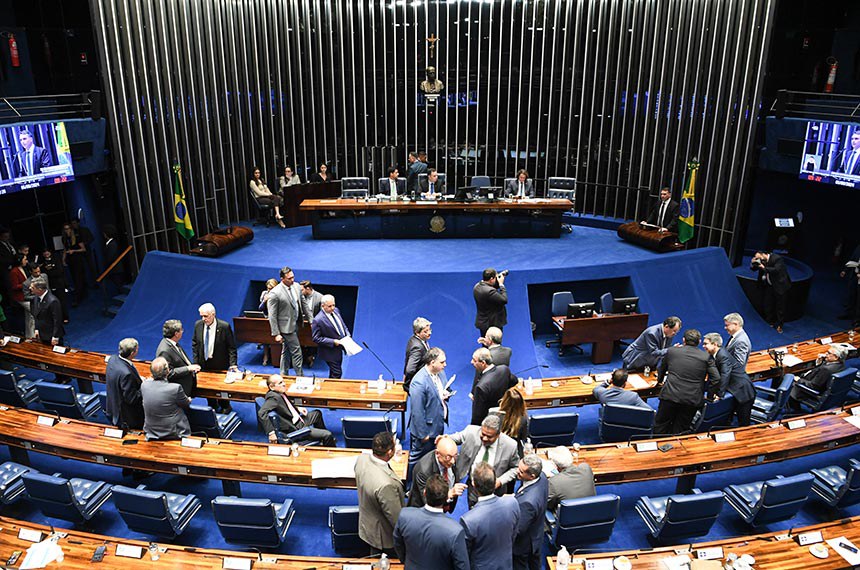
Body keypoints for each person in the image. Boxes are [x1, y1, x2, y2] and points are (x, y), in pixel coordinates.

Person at [393, 474, 470, 570]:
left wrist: (408, 562)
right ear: (446, 498)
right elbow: (462, 566)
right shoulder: (455, 531)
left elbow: (398, 545)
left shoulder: (405, 516)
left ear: (424, 493)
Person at [654, 329, 720, 435]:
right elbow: (716, 378)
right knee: (681, 429)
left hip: (670, 395)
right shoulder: (706, 357)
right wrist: (709, 396)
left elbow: (661, 368)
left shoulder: (672, 351)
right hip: (691, 400)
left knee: (661, 426)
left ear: (683, 340)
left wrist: (660, 381)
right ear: (699, 342)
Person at [447, 414, 520, 507]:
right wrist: (443, 438)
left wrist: (500, 481)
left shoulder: (510, 445)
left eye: (489, 437)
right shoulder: (471, 431)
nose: (484, 439)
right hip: (473, 490)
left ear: (498, 435)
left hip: (495, 493)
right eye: (483, 434)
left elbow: (515, 468)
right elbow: (452, 438)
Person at [460, 462, 520, 570]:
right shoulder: (512, 503)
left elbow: (464, 555)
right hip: (506, 563)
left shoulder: (468, 520)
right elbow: (513, 534)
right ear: (495, 482)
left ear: (473, 484)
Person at [353, 431, 405, 555]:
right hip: (384, 537)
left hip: (366, 524)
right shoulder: (386, 485)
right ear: (389, 452)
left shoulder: (361, 459)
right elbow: (396, 518)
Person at [257, 374, 335, 445]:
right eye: (280, 383)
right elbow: (261, 413)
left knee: (317, 413)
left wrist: (298, 408)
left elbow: (285, 406)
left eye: (283, 381)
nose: (284, 384)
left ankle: (323, 441)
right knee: (328, 434)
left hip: (298, 419)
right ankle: (329, 449)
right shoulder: (273, 398)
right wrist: (271, 433)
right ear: (271, 387)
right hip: (295, 428)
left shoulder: (279, 393)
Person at [408, 347, 451, 466]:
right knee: (416, 459)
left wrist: (446, 394)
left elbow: (444, 388)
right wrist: (423, 434)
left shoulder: (440, 372)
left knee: (432, 456)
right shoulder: (419, 382)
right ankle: (411, 483)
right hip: (426, 431)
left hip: (438, 423)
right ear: (432, 363)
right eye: (442, 362)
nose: (445, 365)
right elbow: (417, 412)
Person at [192, 303, 238, 413]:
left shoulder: (224, 326)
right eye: (202, 316)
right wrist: (196, 362)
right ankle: (212, 405)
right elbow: (195, 344)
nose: (203, 319)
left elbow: (231, 347)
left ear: (213, 314)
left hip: (220, 363)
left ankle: (225, 405)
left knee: (221, 387)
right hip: (204, 363)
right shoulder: (198, 325)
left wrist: (233, 364)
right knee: (208, 388)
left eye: (206, 316)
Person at [703, 332, 755, 426]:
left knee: (743, 422)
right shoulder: (714, 354)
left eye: (706, 344)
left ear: (714, 344)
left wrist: (719, 394)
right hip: (733, 389)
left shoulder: (722, 356)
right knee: (729, 416)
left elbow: (725, 374)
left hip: (743, 391)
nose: (703, 346)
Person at [407, 436, 466, 510]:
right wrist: (448, 495)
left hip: (444, 506)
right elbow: (428, 501)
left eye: (455, 456)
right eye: (448, 457)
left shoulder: (451, 457)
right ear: (437, 454)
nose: (453, 461)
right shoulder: (423, 471)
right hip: (424, 511)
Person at [141, 356, 192, 441]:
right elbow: (186, 404)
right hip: (174, 432)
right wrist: (189, 400)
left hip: (151, 431)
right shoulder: (175, 388)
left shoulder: (144, 385)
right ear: (167, 371)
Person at [267, 266, 304, 377]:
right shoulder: (275, 293)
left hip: (295, 324)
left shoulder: (296, 286)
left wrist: (310, 319)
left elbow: (303, 303)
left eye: (293, 277)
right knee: (297, 352)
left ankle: (283, 374)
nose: (292, 280)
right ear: (282, 278)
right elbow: (272, 315)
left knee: (286, 350)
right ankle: (300, 377)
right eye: (289, 278)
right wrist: (276, 333)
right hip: (285, 328)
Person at [512, 454, 548, 570]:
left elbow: (518, 530)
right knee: (535, 561)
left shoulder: (528, 503)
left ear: (532, 476)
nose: (517, 472)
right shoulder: (542, 476)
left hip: (523, 544)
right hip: (537, 532)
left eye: (521, 472)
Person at [788, 344, 848, 410]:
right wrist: (820, 363)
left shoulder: (827, 370)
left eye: (828, 353)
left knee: (786, 380)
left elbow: (813, 386)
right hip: (818, 381)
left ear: (836, 357)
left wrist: (799, 380)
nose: (825, 354)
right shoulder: (841, 364)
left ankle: (794, 409)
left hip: (809, 390)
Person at [470, 348, 517, 425]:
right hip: (506, 414)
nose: (471, 362)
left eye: (474, 360)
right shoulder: (504, 369)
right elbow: (515, 381)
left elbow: (477, 416)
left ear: (483, 363)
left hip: (490, 421)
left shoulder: (481, 387)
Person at [155, 319, 200, 397]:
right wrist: (188, 368)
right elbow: (169, 373)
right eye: (181, 330)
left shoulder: (172, 343)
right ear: (176, 334)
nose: (182, 331)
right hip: (178, 390)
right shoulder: (165, 351)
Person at [311, 294, 351, 378]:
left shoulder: (336, 311)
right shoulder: (318, 320)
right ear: (323, 306)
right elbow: (316, 338)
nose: (332, 308)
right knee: (337, 373)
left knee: (334, 373)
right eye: (329, 306)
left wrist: (347, 335)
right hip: (329, 351)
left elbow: (342, 325)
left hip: (339, 349)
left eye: (333, 305)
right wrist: (333, 341)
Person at [751, 251, 791, 333]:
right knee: (768, 303)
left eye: (759, 258)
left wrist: (763, 267)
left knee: (780, 306)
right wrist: (753, 262)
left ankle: (780, 325)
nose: (759, 260)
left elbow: (776, 270)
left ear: (764, 254)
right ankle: (770, 321)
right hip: (769, 285)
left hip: (780, 286)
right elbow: (754, 268)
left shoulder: (777, 258)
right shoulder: (762, 260)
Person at [546, 446, 596, 511]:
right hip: (592, 513)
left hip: (567, 519)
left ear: (555, 465)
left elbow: (548, 505)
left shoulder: (553, 482)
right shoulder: (586, 468)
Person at [29, 277, 63, 346]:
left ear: (40, 289)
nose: (29, 288)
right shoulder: (36, 297)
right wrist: (37, 329)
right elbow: (36, 315)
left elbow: (57, 320)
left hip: (51, 335)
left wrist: (55, 337)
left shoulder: (53, 301)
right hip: (42, 334)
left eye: (32, 287)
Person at [474, 268, 508, 336]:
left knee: (485, 343)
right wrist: (501, 285)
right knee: (495, 344)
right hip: (493, 323)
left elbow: (490, 286)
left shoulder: (477, 286)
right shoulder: (490, 292)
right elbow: (504, 300)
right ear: (491, 279)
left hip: (483, 322)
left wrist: (498, 280)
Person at [403, 317, 432, 393]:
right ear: (417, 333)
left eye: (429, 330)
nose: (429, 333)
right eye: (426, 331)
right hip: (418, 385)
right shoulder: (417, 347)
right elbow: (410, 370)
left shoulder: (414, 339)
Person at [61, 222, 87, 306]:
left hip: (77, 259)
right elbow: (65, 249)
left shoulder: (76, 237)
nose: (66, 230)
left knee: (78, 277)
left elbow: (83, 249)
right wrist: (63, 260)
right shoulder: (64, 238)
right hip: (70, 260)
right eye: (65, 229)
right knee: (74, 279)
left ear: (71, 229)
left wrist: (74, 251)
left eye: (68, 228)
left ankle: (78, 298)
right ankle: (80, 294)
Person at [40, 248, 68, 323]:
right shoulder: (42, 263)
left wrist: (49, 272)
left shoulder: (56, 260)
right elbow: (43, 274)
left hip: (59, 284)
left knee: (62, 301)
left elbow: (59, 271)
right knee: (52, 303)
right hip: (49, 285)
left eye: (47, 251)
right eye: (44, 252)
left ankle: (65, 317)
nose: (46, 253)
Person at [498, 387, 530, 453]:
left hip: (499, 449)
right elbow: (523, 437)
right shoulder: (523, 419)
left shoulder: (496, 415)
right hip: (515, 450)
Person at [9, 255, 34, 338]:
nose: (26, 261)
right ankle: (32, 336)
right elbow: (14, 286)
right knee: (34, 313)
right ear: (20, 260)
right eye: (25, 259)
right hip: (21, 297)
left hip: (26, 295)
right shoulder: (14, 271)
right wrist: (27, 285)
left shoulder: (23, 269)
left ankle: (30, 336)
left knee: (29, 317)